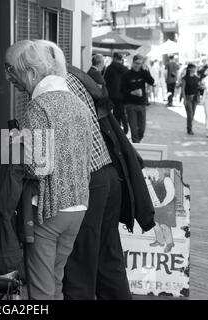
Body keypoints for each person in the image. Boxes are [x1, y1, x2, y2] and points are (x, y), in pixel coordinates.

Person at [37, 40, 155, 300]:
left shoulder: (55, 89)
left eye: (16, 69)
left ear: (37, 67)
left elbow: (57, 149)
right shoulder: (74, 77)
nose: (13, 76)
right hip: (108, 176)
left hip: (89, 183)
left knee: (80, 267)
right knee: (106, 260)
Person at [5, 40, 93, 300]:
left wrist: (15, 146)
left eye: (15, 73)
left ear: (32, 73)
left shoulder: (39, 106)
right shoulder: (77, 103)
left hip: (48, 208)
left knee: (40, 290)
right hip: (77, 206)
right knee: (55, 282)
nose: (13, 80)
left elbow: (37, 167)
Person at [122, 54, 155, 143]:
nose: (137, 65)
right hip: (130, 104)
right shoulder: (127, 74)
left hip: (141, 104)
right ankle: (136, 149)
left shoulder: (143, 73)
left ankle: (137, 142)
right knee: (133, 129)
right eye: (136, 63)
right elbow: (122, 90)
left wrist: (146, 71)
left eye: (140, 64)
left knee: (141, 129)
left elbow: (152, 81)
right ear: (133, 63)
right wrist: (132, 92)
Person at [144, 168, 176, 253]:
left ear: (156, 170)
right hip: (156, 205)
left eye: (149, 171)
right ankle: (160, 241)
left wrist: (163, 203)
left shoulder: (166, 179)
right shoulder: (151, 180)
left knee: (164, 225)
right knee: (155, 224)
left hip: (166, 206)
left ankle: (169, 243)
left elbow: (171, 193)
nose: (148, 173)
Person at [104, 52, 129, 133]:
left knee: (115, 113)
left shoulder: (110, 68)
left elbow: (105, 81)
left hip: (112, 94)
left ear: (114, 58)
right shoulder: (125, 69)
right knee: (122, 112)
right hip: (122, 94)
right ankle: (125, 128)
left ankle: (117, 130)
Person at [181, 63, 201, 135]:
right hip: (188, 97)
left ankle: (189, 127)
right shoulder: (184, 78)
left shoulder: (197, 78)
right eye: (193, 68)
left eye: (195, 68)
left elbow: (198, 89)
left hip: (195, 97)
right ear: (189, 69)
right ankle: (190, 129)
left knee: (193, 114)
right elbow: (183, 89)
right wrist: (184, 99)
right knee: (190, 113)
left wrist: (198, 97)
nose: (195, 69)